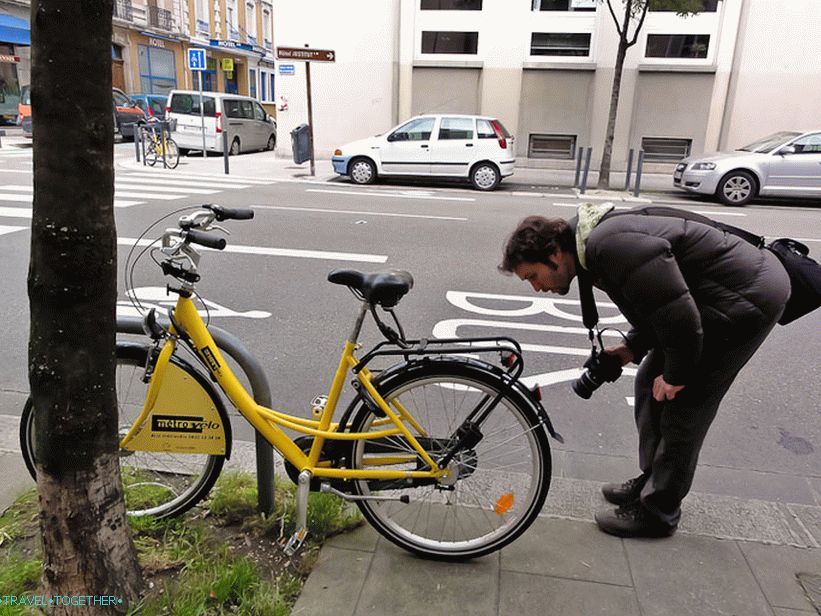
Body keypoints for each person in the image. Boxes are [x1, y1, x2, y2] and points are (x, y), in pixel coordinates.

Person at [499, 204, 790, 538]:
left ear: (553, 253)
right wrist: (629, 349)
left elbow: (679, 317)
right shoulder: (589, 246)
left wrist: (677, 376)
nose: (537, 288)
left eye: (534, 276)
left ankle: (658, 511)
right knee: (648, 382)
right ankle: (652, 481)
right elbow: (661, 302)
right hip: (707, 300)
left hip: (744, 299)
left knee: (684, 406)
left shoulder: (610, 246)